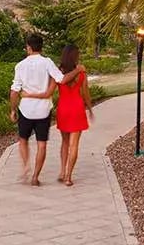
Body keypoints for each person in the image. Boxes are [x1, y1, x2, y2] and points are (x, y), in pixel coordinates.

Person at [9, 34, 82, 186]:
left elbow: (14, 91)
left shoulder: (20, 65)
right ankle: (35, 176)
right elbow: (61, 79)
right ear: (41, 47)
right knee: (42, 144)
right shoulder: (47, 62)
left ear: (28, 47)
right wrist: (78, 70)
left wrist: (13, 110)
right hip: (43, 110)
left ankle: (25, 166)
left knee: (23, 140)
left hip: (26, 109)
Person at [23, 44, 93, 186]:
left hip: (64, 108)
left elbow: (49, 92)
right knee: (74, 144)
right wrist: (90, 109)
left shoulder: (57, 72)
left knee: (65, 142)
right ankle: (68, 176)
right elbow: (85, 93)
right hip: (77, 109)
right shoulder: (81, 72)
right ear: (75, 56)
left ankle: (62, 171)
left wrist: (29, 94)